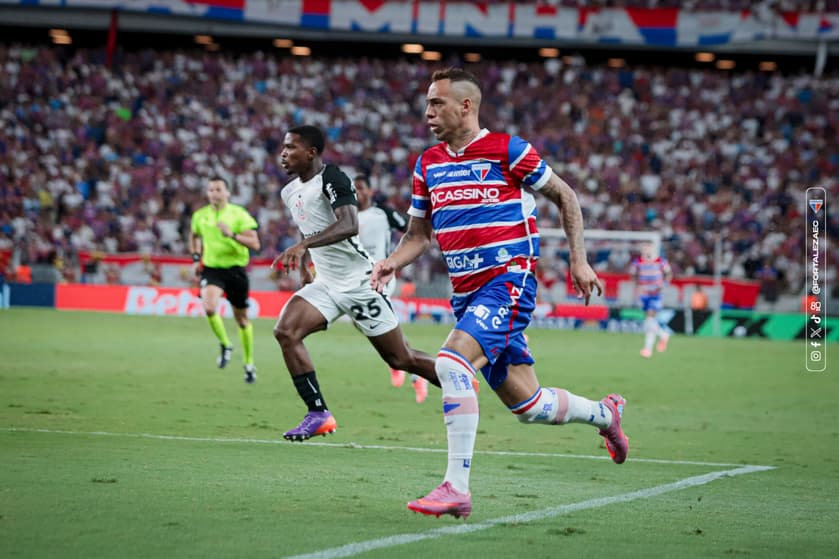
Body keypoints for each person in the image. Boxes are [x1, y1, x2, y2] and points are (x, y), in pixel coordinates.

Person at [370, 67, 628, 519]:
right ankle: (605, 414)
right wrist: (393, 260)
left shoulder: (508, 150)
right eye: (427, 103)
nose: (427, 111)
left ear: (465, 106)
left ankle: (457, 487)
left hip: (508, 281)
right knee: (529, 405)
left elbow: (565, 195)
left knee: (450, 362)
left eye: (437, 103)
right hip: (468, 295)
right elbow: (418, 234)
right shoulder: (427, 162)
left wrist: (579, 259)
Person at [272, 125, 441, 442]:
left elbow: (349, 225)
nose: (283, 153)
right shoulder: (289, 192)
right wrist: (307, 265)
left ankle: (459, 380)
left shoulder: (332, 178)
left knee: (400, 359)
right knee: (286, 331)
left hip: (359, 283)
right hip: (326, 284)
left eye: (291, 147)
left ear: (311, 152)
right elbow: (313, 226)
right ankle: (318, 414)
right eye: (283, 147)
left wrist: (303, 246)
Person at [355, 174, 429, 404]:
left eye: (360, 188)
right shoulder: (346, 215)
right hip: (355, 280)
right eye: (353, 188)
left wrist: (394, 260)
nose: (356, 192)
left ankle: (413, 371)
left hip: (381, 276)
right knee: (366, 324)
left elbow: (411, 232)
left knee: (380, 325)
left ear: (369, 191)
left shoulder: (383, 213)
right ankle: (397, 359)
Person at [189, 176, 261, 383]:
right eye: (211, 190)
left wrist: (232, 235)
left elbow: (255, 244)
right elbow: (193, 235)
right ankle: (226, 344)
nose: (214, 193)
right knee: (210, 307)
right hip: (212, 270)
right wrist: (195, 258)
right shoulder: (200, 216)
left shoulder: (239, 214)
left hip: (236, 271)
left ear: (227, 193)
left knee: (242, 320)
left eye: (218, 189)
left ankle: (248, 363)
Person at [630, 242, 672, 358]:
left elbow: (668, 274)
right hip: (644, 294)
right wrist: (638, 285)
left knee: (649, 319)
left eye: (649, 249)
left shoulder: (661, 261)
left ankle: (647, 349)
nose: (647, 251)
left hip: (656, 294)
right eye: (645, 249)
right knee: (649, 320)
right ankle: (663, 335)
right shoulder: (637, 262)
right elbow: (633, 275)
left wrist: (664, 284)